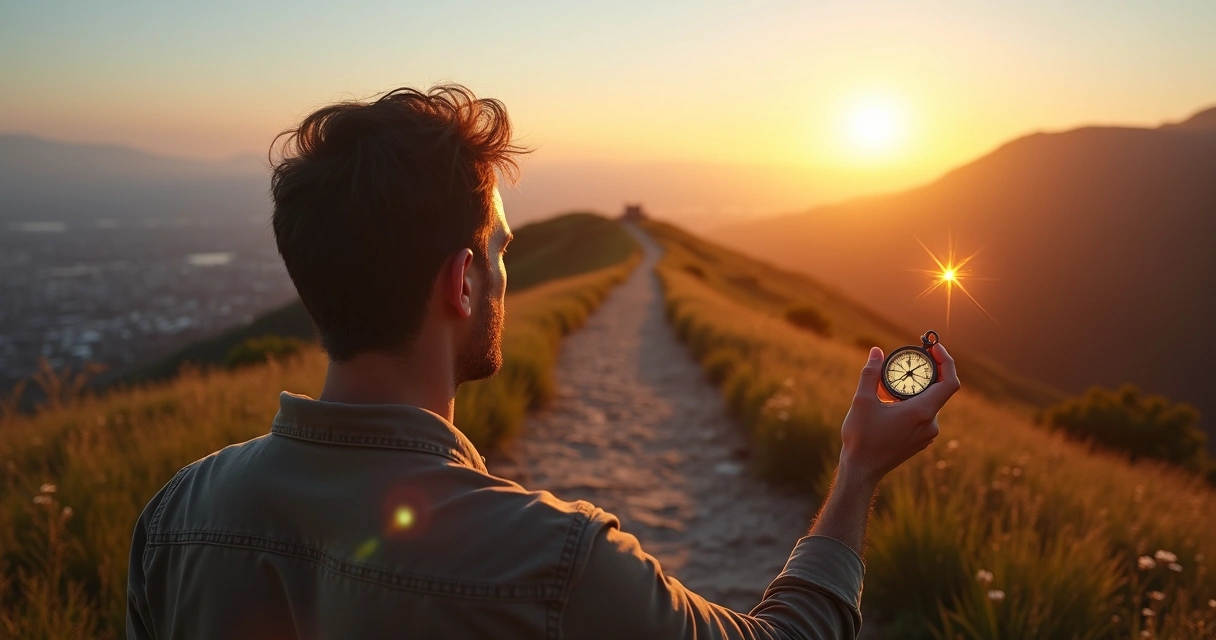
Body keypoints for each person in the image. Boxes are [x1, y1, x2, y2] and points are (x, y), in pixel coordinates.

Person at [126, 84, 960, 639]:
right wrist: (858, 471)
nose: (504, 276)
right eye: (500, 252)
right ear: (462, 282)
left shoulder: (176, 515)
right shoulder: (557, 562)